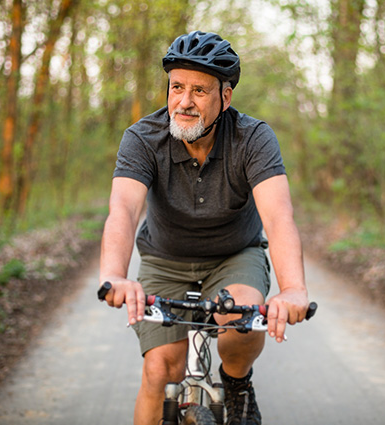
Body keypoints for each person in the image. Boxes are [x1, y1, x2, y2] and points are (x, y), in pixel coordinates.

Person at [98, 30, 310, 425]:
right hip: (165, 259)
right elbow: (123, 210)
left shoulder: (253, 138)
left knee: (242, 321)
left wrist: (293, 287)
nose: (184, 101)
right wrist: (114, 275)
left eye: (199, 90)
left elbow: (279, 217)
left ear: (225, 98)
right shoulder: (143, 138)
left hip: (234, 255)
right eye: (177, 87)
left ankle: (236, 382)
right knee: (160, 371)